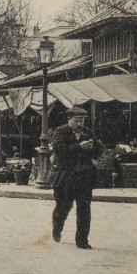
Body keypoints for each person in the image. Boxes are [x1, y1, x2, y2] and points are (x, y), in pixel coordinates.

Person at [51, 106, 103, 250]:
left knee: (84, 210)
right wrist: (79, 146)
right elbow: (60, 150)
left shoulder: (88, 133)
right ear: (69, 119)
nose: (80, 124)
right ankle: (57, 228)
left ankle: (82, 240)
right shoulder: (60, 131)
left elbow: (98, 152)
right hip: (66, 177)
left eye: (82, 121)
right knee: (63, 207)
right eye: (77, 120)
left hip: (85, 178)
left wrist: (94, 147)